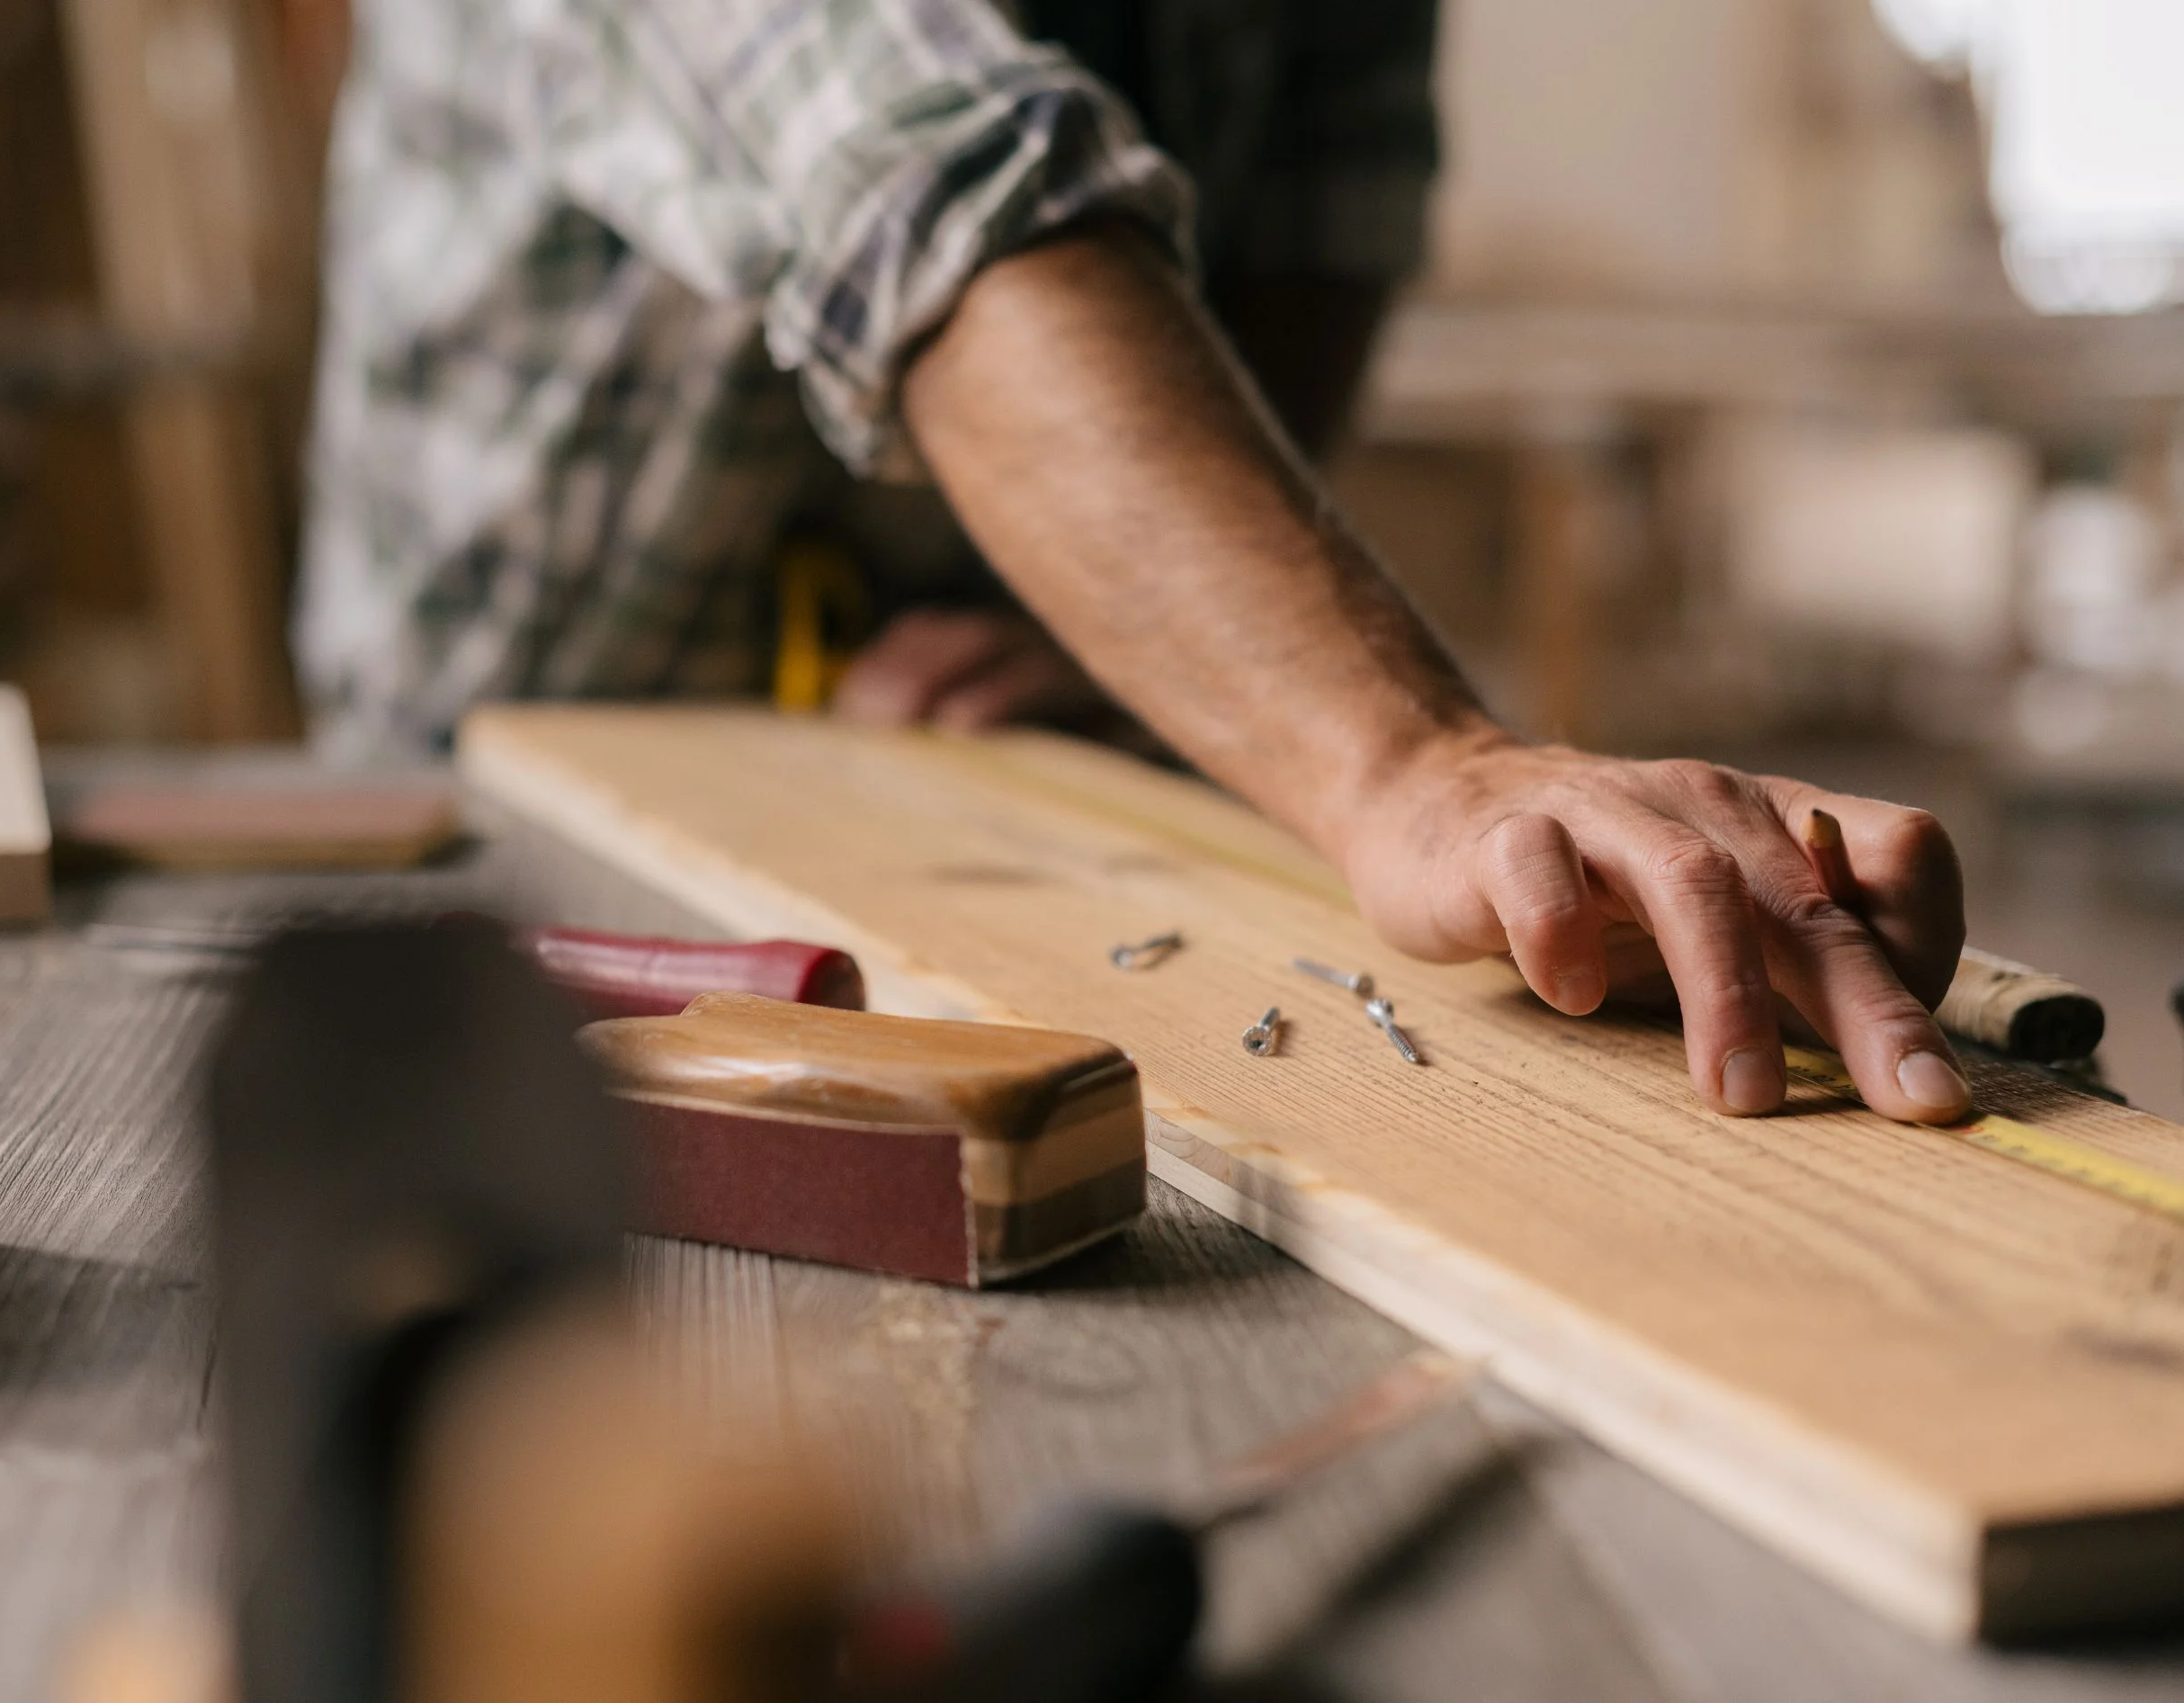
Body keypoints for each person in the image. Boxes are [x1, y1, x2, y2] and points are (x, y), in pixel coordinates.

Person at [297, 0, 1974, 1126]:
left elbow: (1321, 221)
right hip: (508, 808)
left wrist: (1112, 618)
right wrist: (1417, 764)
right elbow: (941, 192)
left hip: (954, 760)